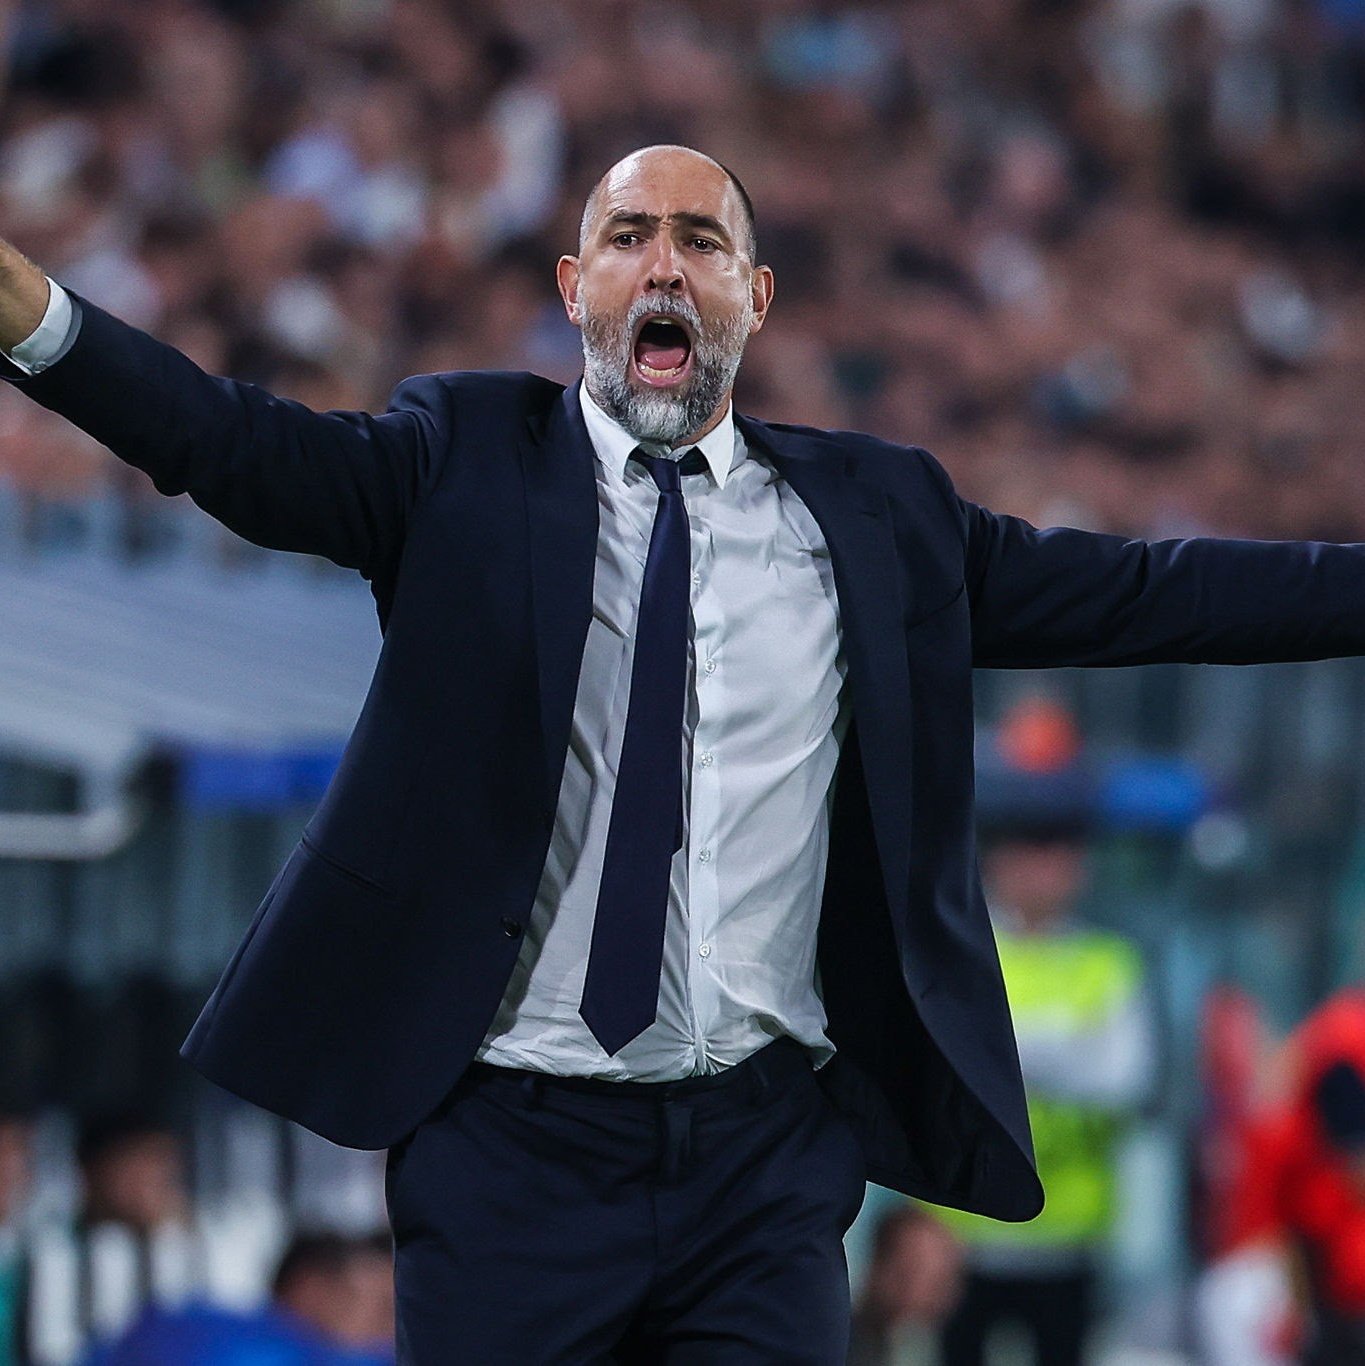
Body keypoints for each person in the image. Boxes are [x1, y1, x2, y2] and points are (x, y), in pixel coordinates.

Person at [0, 142, 1363, 1362]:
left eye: (702, 240)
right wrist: (35, 322)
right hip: (511, 1144)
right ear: (573, 287)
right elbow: (223, 443)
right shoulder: (458, 458)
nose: (664, 263)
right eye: (628, 236)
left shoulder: (878, 517)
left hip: (761, 1153)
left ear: (754, 299)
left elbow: (1153, 592)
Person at [936, 821, 1156, 1366]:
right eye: (1027, 852)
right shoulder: (962, 953)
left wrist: (1008, 1043)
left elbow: (1123, 1079)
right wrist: (1070, 1043)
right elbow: (947, 1056)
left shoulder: (1109, 962)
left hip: (1068, 1237)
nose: (1042, 871)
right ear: (994, 862)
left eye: (1057, 854)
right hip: (962, 1235)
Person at [85, 1231, 394, 1366]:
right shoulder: (235, 1344)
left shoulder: (185, 1320)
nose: (391, 1330)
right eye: (382, 1308)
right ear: (310, 1289)